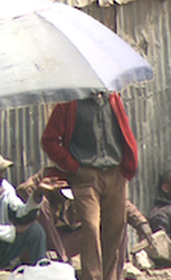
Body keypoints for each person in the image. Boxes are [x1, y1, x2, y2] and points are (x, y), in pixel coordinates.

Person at [41, 91, 138, 280]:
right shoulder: (69, 103)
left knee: (114, 229)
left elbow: (123, 133)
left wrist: (125, 167)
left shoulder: (113, 100)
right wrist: (74, 167)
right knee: (91, 227)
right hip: (86, 175)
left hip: (114, 173)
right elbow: (49, 140)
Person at [17, 168, 152, 269]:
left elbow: (119, 203)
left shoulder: (89, 177)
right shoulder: (49, 173)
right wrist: (39, 191)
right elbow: (22, 190)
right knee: (39, 204)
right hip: (47, 242)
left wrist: (141, 223)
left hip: (75, 238)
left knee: (115, 220)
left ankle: (113, 272)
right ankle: (59, 260)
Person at [0, 153, 65, 269]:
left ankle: (40, 272)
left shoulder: (5, 188)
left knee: (35, 230)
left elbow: (21, 211)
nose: (2, 176)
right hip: (4, 237)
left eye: (2, 171)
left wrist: (37, 195)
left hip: (3, 247)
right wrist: (14, 231)